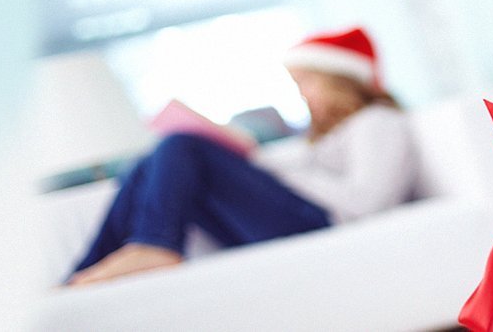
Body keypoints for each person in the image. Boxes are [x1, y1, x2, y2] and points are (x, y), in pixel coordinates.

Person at [67, 26, 420, 286]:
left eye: (307, 83)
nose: (302, 95)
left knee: (182, 145)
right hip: (295, 217)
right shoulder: (331, 133)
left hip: (320, 223)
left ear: (339, 80)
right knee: (148, 165)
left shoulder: (378, 122)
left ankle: (156, 246)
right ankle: (83, 272)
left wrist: (272, 170)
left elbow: (370, 201)